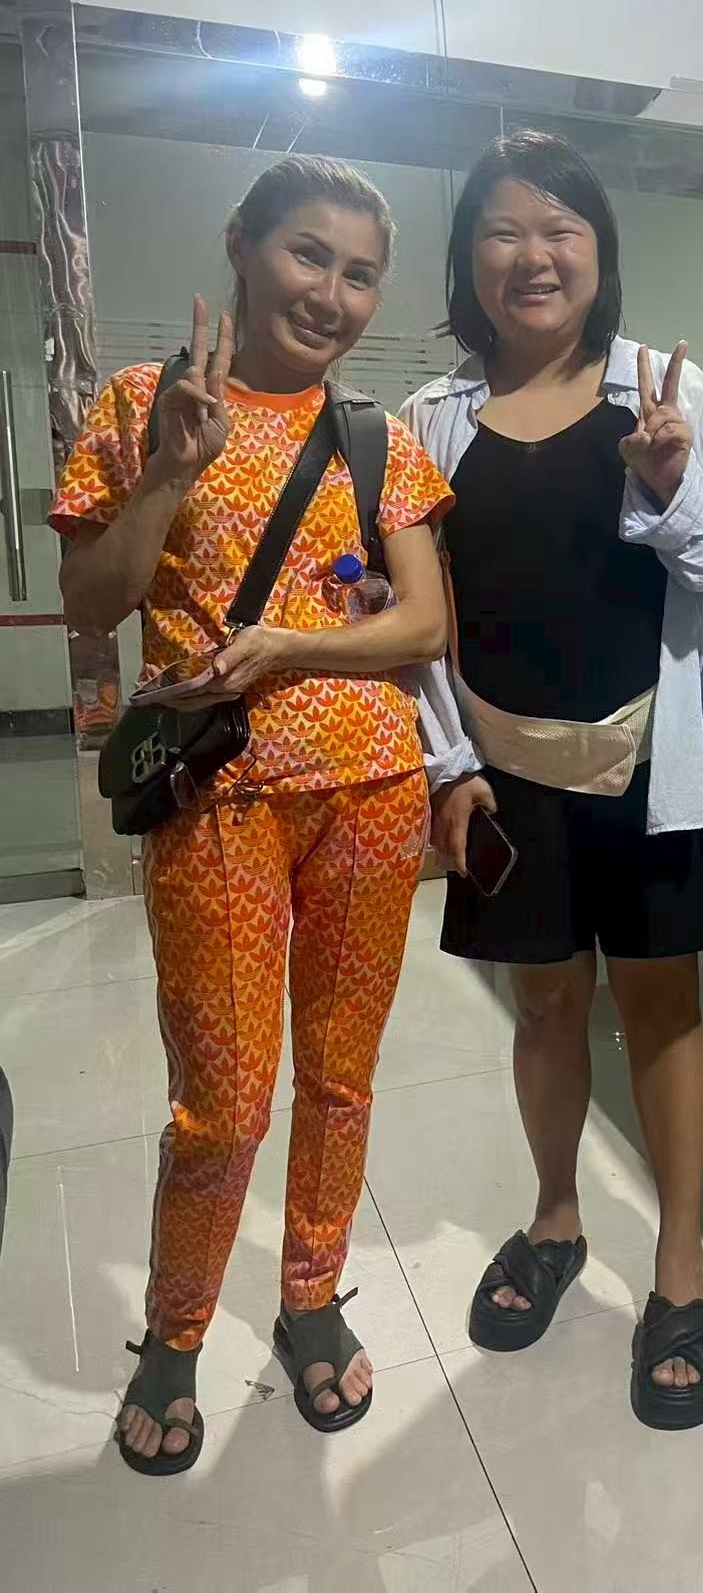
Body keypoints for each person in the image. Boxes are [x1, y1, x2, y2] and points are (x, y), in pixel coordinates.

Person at [51, 156, 453, 1474]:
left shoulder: (377, 438)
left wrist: (290, 648)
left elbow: (423, 623)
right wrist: (170, 474)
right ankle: (175, 1332)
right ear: (242, 243)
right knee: (221, 1104)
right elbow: (90, 604)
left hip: (374, 797)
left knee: (338, 1077)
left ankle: (310, 1293)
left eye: (360, 273)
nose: (331, 293)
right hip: (216, 801)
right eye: (307, 255)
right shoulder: (137, 405)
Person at [400, 129, 703, 1431]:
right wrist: (445, 767)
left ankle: (680, 1269)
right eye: (503, 230)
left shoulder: (665, 389)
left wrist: (671, 483)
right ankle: (556, 1219)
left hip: (647, 762)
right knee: (544, 1011)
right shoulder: (430, 423)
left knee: (664, 1012)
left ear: (601, 254)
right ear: (468, 262)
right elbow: (414, 622)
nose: (533, 254)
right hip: (505, 776)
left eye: (561, 229)